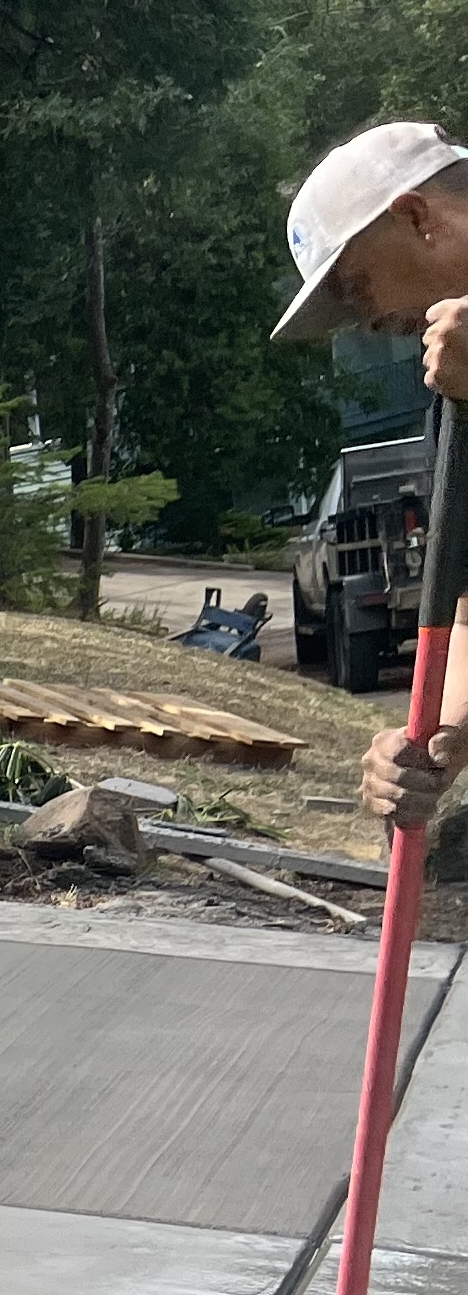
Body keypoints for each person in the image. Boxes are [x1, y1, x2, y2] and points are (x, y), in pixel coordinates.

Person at [275, 125, 468, 835]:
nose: (369, 320)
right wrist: (433, 740)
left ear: (416, 216)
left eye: (358, 286)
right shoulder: (452, 403)